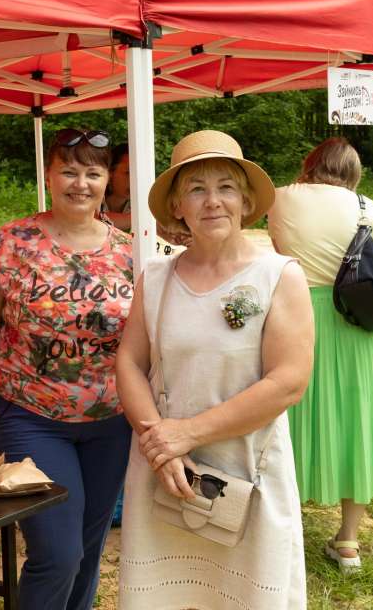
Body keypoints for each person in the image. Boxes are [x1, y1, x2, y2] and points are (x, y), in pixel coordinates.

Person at [115, 129, 313, 609]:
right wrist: (160, 445)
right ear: (177, 206)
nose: (212, 202)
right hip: (165, 472)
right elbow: (129, 362)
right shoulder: (155, 277)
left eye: (226, 187)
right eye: (196, 189)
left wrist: (186, 435)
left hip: (247, 467)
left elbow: (288, 382)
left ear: (245, 201)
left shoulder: (279, 276)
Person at [0, 127, 136, 610]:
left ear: (107, 180)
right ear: (48, 175)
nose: (80, 183)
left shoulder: (131, 251)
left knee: (87, 549)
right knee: (57, 554)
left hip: (112, 422)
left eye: (92, 173)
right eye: (69, 171)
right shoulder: (8, 243)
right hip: (32, 418)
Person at [267, 138, 373, 571]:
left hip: (298, 315)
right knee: (357, 423)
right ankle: (348, 540)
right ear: (353, 172)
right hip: (358, 321)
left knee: (290, 417)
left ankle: (283, 529)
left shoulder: (279, 197)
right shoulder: (364, 207)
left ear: (310, 164)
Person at [105, 143, 132, 231]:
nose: (134, 179)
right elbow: (94, 219)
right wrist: (141, 218)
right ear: (110, 174)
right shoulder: (93, 198)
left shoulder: (142, 202)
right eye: (128, 173)